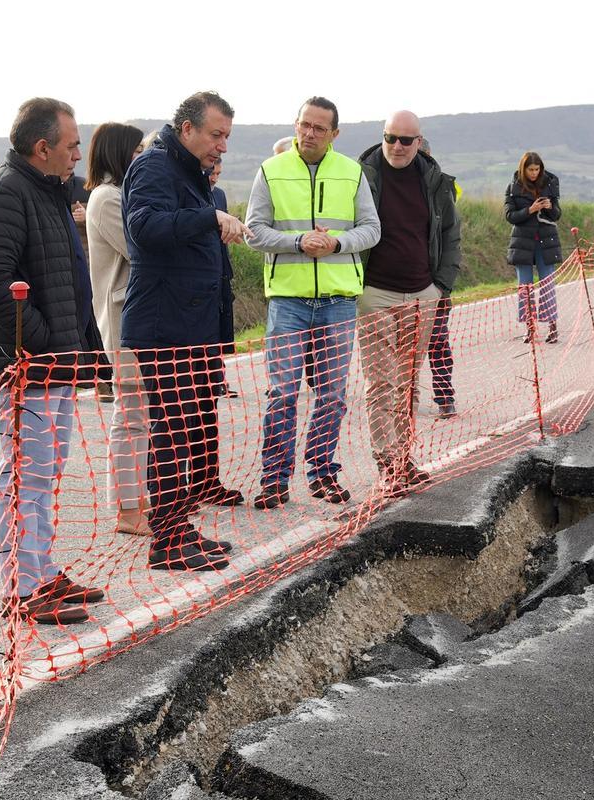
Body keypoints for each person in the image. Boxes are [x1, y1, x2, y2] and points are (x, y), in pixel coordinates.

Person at [0, 97, 108, 625]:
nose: (79, 154)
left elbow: (69, 281)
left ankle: (42, 572)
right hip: (28, 370)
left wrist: (84, 354)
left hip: (55, 367)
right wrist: (47, 344)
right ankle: (24, 588)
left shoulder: (50, 191)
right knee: (25, 481)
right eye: (72, 145)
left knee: (42, 479)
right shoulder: (5, 192)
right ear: (42, 146)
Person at [121, 92, 247, 571]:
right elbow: (145, 226)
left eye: (227, 137)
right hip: (164, 326)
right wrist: (208, 216)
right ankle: (166, 542)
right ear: (188, 129)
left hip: (192, 325)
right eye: (216, 135)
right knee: (171, 433)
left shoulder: (187, 171)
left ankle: (177, 527)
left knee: (188, 428)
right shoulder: (155, 166)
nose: (222, 147)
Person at [244, 96, 381, 509]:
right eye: (304, 124)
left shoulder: (352, 172)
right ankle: (274, 480)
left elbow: (371, 229)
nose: (309, 133)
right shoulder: (270, 170)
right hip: (288, 300)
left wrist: (337, 242)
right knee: (283, 393)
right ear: (296, 124)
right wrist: (299, 242)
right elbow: (253, 231)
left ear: (334, 134)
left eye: (320, 128)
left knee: (332, 395)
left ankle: (322, 473)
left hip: (338, 300)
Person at [358, 111, 461, 494]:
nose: (397, 146)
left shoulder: (435, 182)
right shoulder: (361, 176)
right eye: (390, 138)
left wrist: (440, 286)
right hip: (376, 294)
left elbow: (451, 235)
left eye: (406, 140)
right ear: (382, 136)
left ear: (419, 142)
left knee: (408, 383)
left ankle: (404, 459)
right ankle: (388, 465)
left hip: (423, 294)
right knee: (382, 383)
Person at [85, 122, 149, 537]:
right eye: (137, 149)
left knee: (140, 416)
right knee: (130, 417)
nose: (142, 156)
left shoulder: (120, 195)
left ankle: (138, 499)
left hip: (136, 320)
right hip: (123, 320)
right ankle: (127, 509)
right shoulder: (107, 198)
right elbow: (139, 247)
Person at [418, 137, 458, 419]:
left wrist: (442, 283)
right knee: (403, 349)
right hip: (398, 284)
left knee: (438, 341)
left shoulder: (445, 186)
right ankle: (405, 400)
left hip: (434, 283)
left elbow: (452, 238)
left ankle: (445, 397)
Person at [505, 152, 562, 342]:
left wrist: (548, 207)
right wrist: (530, 210)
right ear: (523, 168)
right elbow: (510, 216)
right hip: (523, 243)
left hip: (546, 242)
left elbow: (556, 215)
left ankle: (552, 326)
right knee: (525, 286)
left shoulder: (551, 184)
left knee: (547, 284)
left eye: (537, 169)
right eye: (530, 169)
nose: (534, 173)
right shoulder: (513, 187)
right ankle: (530, 328)